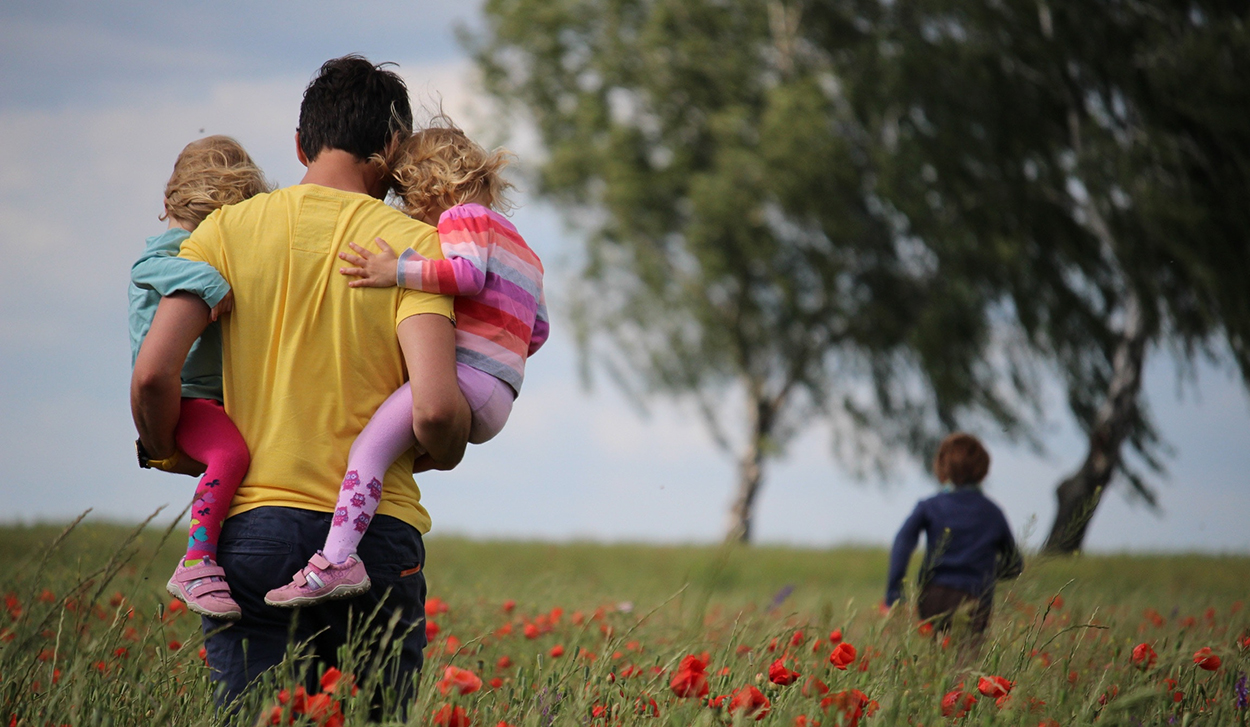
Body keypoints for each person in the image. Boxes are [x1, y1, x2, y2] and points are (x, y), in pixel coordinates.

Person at [131, 55, 471, 703]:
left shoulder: (223, 232)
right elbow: (433, 409)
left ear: (298, 143)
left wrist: (168, 447)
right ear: (393, 148)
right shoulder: (413, 248)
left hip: (252, 528)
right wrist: (446, 449)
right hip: (374, 536)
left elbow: (152, 374)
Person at [265, 122, 549, 607]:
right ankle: (351, 537)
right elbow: (537, 331)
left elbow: (465, 274)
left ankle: (337, 560)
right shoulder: (525, 249)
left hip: (466, 380)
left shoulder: (463, 219)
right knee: (394, 451)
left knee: (367, 451)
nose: (410, 211)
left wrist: (394, 270)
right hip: (501, 393)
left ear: (429, 186)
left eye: (407, 196)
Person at [129, 135, 270, 620]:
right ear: (170, 207)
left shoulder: (195, 244)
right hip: (187, 396)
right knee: (230, 454)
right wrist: (210, 281)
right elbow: (148, 267)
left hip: (210, 397)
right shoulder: (172, 251)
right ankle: (197, 561)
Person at [883, 432, 1022, 641]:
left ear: (942, 467)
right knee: (966, 662)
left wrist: (894, 593)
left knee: (937, 657)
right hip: (976, 597)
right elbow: (1014, 564)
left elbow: (902, 542)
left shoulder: (929, 506)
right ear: (983, 470)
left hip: (933, 595)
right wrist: (985, 573)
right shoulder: (993, 513)